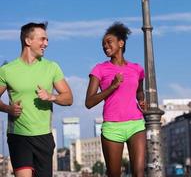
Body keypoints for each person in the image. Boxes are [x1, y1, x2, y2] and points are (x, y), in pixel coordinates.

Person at [0, 22, 73, 177]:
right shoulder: (7, 70)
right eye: (42, 39)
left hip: (43, 137)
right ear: (28, 41)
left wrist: (51, 96)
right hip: (19, 136)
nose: (46, 43)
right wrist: (8, 108)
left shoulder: (52, 67)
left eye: (46, 40)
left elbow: (68, 98)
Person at [85, 22, 146, 177]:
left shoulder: (137, 69)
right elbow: (89, 102)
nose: (105, 46)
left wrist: (142, 101)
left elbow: (139, 92)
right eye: (103, 44)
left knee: (139, 173)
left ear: (121, 43)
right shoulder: (99, 69)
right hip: (112, 127)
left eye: (109, 42)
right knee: (114, 174)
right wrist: (112, 87)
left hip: (136, 124)